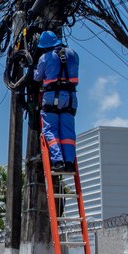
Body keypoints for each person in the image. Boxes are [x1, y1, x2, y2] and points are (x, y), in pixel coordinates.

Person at [34, 30, 79, 173]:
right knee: (68, 131)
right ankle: (69, 163)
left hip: (52, 96)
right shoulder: (73, 54)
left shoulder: (45, 57)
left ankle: (58, 161)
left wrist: (32, 70)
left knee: (51, 130)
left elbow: (37, 77)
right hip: (70, 98)